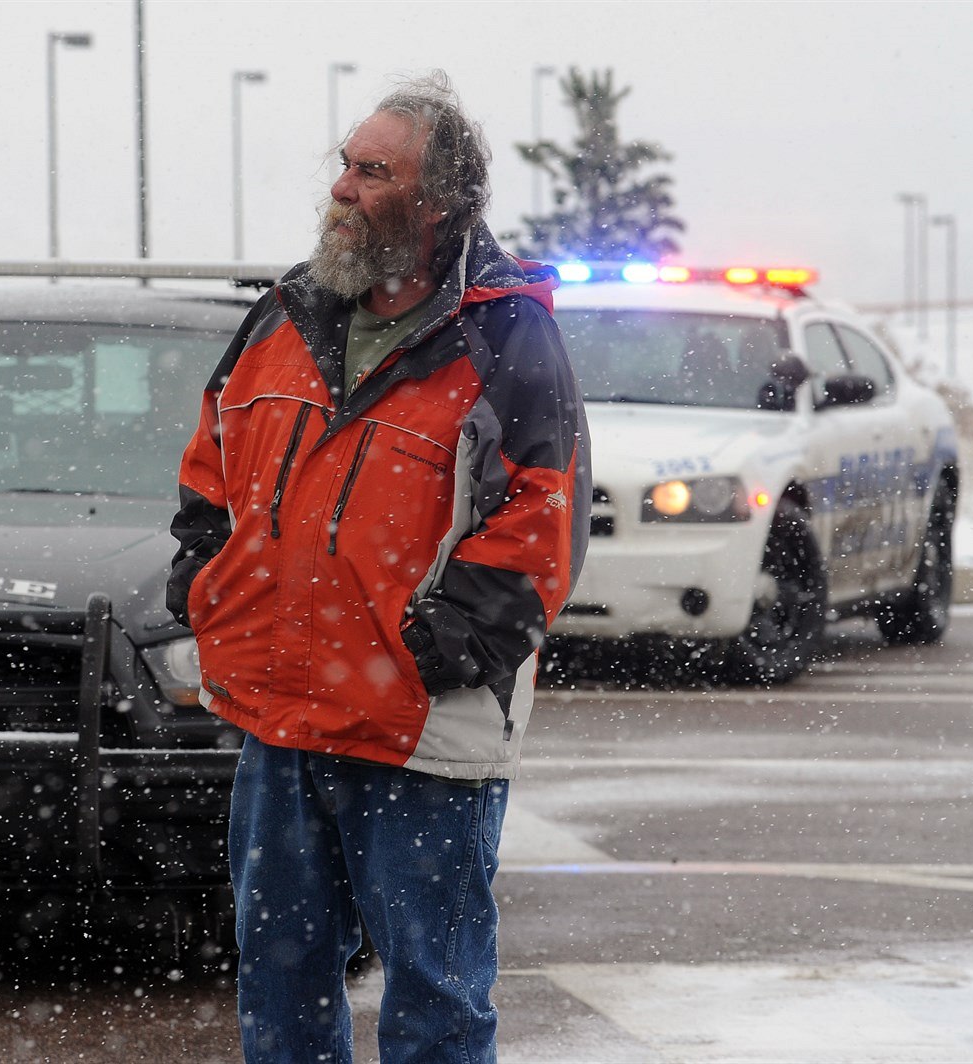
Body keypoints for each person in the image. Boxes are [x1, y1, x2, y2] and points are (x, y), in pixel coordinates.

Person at [167, 71, 590, 1063]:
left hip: (419, 731)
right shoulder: (284, 313)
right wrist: (207, 583)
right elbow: (210, 467)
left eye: (373, 172)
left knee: (434, 996)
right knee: (279, 978)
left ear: (435, 200)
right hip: (281, 715)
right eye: (345, 165)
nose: (343, 188)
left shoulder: (504, 335)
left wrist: (435, 648)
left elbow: (544, 517)